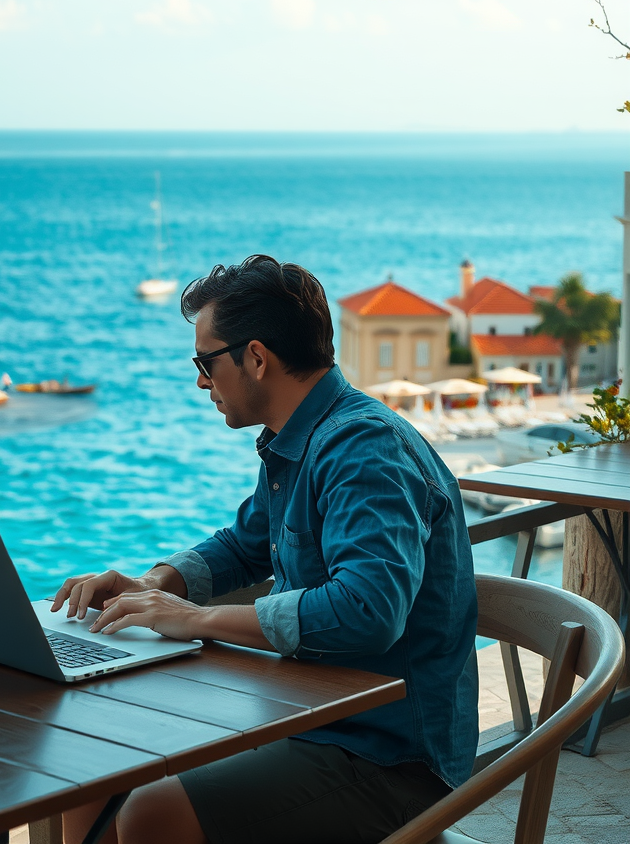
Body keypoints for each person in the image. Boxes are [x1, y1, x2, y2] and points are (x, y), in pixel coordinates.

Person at [54, 256, 478, 844]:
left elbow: (368, 610)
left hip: (389, 755)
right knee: (89, 775)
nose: (201, 381)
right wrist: (154, 585)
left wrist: (197, 619)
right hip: (302, 715)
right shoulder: (296, 439)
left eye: (205, 362)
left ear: (255, 358)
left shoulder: (364, 450)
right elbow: (248, 542)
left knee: (152, 813)